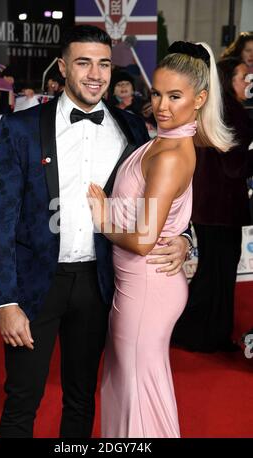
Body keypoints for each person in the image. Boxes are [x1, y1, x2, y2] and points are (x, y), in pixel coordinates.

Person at [0, 26, 191, 438]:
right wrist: (6, 301)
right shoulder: (21, 127)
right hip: (34, 287)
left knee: (81, 398)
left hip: (100, 284)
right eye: (83, 63)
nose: (96, 74)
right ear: (62, 68)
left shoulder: (133, 129)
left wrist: (187, 240)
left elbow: (165, 194)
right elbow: (0, 219)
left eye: (103, 64)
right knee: (22, 398)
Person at [87, 41, 235, 438]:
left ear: (200, 99)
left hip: (147, 285)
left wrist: (102, 221)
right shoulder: (164, 141)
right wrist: (184, 237)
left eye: (175, 96)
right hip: (140, 282)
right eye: (156, 93)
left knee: (139, 392)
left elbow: (143, 240)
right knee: (131, 386)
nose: (163, 105)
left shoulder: (170, 154)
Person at [172, 57, 253, 353]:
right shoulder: (229, 111)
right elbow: (234, 166)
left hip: (212, 207)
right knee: (216, 275)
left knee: (213, 273)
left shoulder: (218, 109)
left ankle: (201, 333)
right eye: (244, 76)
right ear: (227, 79)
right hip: (220, 207)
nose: (250, 81)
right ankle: (198, 333)